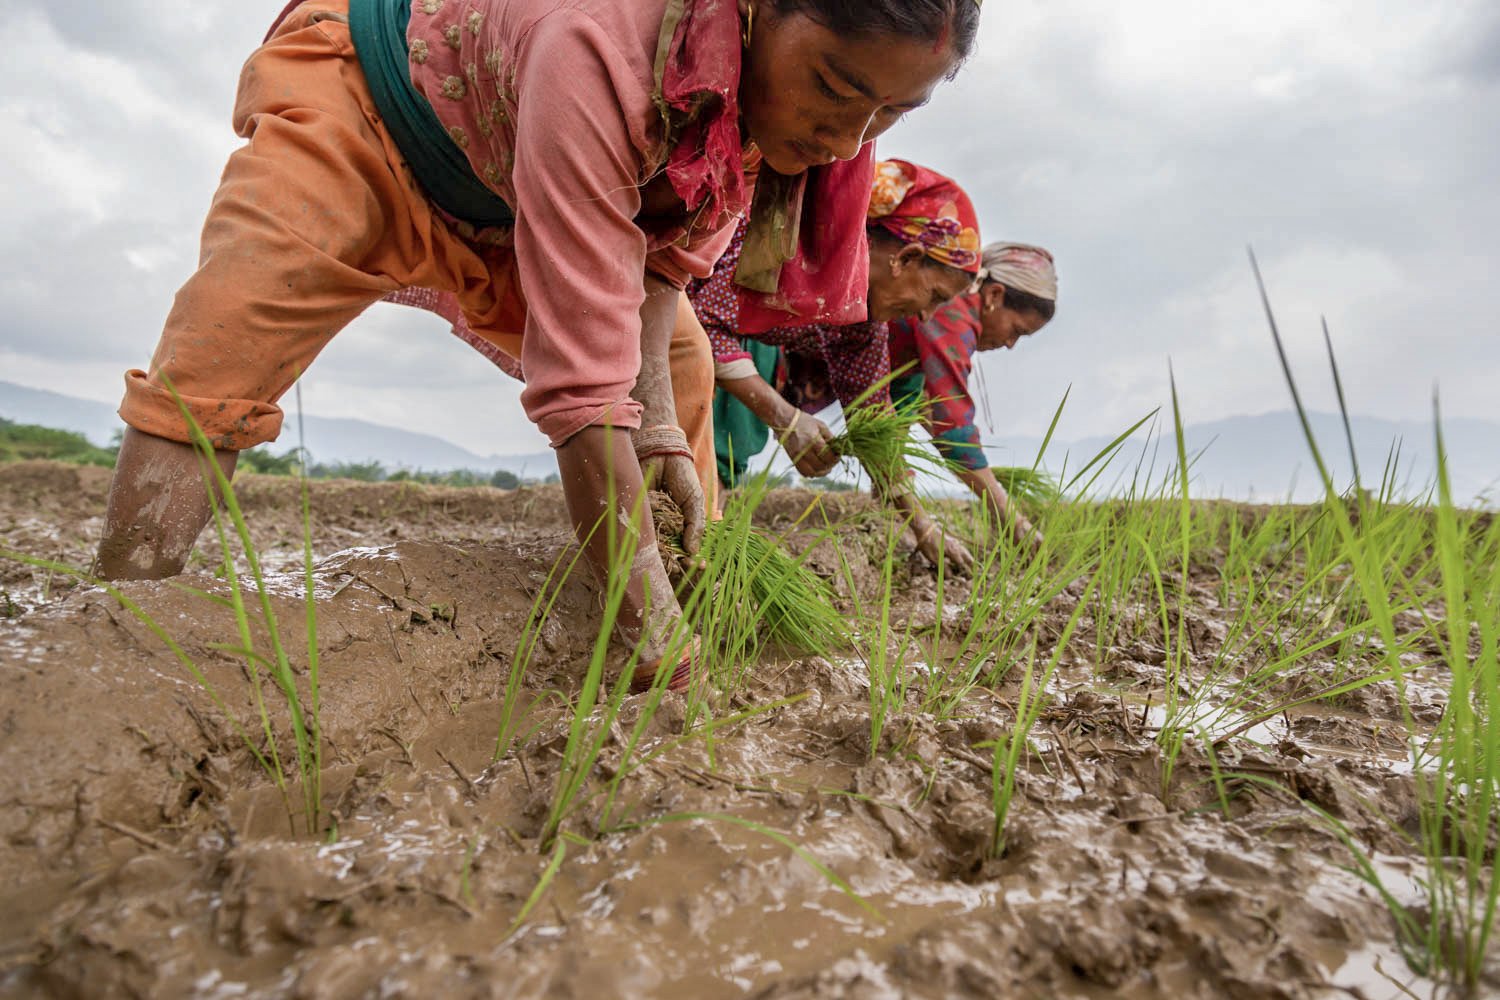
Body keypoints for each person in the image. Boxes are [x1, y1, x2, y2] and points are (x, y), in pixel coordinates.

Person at [92, 0, 982, 689]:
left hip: (508, 185)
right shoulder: (605, 43)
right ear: (755, 9)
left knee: (678, 355)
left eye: (887, 113)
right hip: (373, 107)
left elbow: (661, 269)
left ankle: (699, 584)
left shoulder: (749, 118)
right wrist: (648, 645)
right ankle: (122, 626)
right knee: (238, 315)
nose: (845, 139)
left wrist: (664, 432)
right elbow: (584, 395)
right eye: (832, 87)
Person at [694, 158, 981, 570]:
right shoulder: (790, 239)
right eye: (934, 295)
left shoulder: (861, 326)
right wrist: (784, 417)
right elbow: (698, 323)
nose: (925, 317)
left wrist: (925, 528)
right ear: (907, 258)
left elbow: (873, 419)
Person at [887, 241, 1058, 548]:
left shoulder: (952, 313)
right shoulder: (952, 313)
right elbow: (953, 429)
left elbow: (925, 407)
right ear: (994, 295)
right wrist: (1010, 516)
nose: (1009, 344)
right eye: (1016, 330)